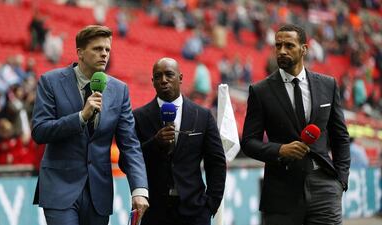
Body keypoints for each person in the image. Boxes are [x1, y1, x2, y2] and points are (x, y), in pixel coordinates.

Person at [31, 25, 149, 225]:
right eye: (97, 49)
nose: (104, 54)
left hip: (98, 193)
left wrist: (139, 189)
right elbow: (39, 131)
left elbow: (130, 144)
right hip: (60, 189)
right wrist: (80, 117)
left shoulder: (119, 91)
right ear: (80, 53)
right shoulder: (50, 82)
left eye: (107, 49)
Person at [241, 24, 350, 225]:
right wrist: (280, 150)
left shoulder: (328, 85)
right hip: (281, 190)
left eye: (289, 45)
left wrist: (340, 181)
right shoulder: (260, 91)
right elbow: (248, 142)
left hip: (324, 187)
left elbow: (340, 136)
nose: (281, 51)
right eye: (278, 45)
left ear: (304, 49)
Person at [133, 57, 226, 225]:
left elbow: (216, 162)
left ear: (180, 78)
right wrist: (155, 143)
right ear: (152, 81)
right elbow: (128, 162)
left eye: (169, 74)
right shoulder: (139, 117)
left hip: (195, 212)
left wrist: (211, 205)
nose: (163, 80)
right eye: (158, 76)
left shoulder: (202, 116)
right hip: (154, 212)